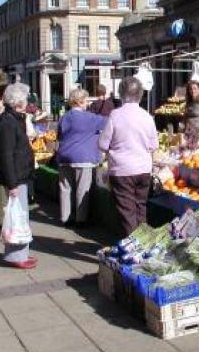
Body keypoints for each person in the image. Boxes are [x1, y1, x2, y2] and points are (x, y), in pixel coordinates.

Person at [99, 77, 158, 236]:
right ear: (140, 95)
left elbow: (103, 144)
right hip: (143, 169)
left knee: (127, 212)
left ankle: (133, 248)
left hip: (122, 169)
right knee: (140, 207)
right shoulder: (147, 116)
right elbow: (154, 145)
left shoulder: (115, 115)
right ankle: (142, 245)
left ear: (121, 94)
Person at [0, 83, 36, 269]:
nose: (27, 102)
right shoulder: (7, 122)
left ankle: (21, 252)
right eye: (25, 99)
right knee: (17, 218)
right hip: (16, 177)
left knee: (21, 217)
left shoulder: (13, 118)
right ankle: (16, 256)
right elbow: (6, 154)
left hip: (20, 175)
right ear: (18, 101)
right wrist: (12, 184)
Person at [57, 89, 107, 226]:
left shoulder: (64, 117)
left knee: (65, 188)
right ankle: (81, 219)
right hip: (83, 158)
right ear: (80, 102)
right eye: (86, 101)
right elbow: (109, 122)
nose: (87, 104)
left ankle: (65, 218)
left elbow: (59, 136)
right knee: (82, 188)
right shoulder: (90, 118)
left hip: (64, 156)